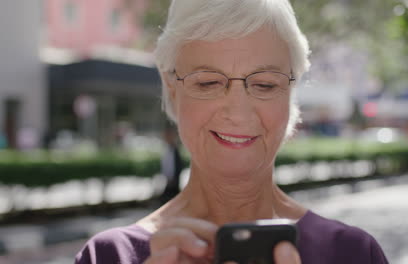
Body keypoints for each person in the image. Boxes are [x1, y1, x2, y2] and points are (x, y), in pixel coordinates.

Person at [75, 0, 389, 263]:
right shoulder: (109, 256)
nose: (237, 112)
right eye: (208, 83)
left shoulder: (353, 253)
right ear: (172, 89)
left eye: (265, 84)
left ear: (291, 95)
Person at [159, 125, 183, 204]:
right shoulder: (167, 149)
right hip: (167, 181)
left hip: (173, 183)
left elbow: (177, 166)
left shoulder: (174, 150)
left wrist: (173, 179)